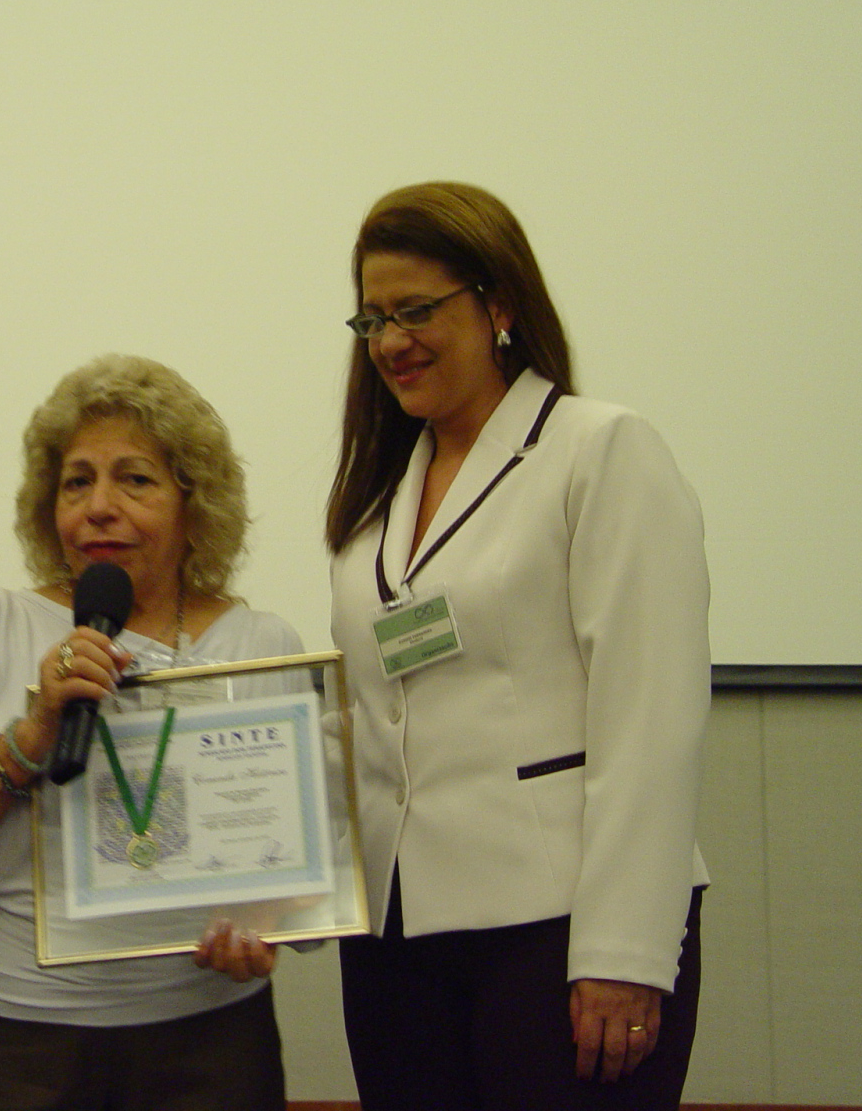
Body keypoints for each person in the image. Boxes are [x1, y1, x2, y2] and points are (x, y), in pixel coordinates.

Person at [327, 182, 709, 1109]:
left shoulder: (599, 449)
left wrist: (624, 952)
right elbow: (366, 723)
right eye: (373, 319)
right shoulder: (375, 503)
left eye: (416, 311)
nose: (390, 342)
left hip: (560, 933)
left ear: (498, 305)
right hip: (396, 943)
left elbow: (649, 718)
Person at [0, 354, 300, 1111]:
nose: (99, 507)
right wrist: (33, 735)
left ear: (193, 501)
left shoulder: (260, 643)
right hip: (16, 1042)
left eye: (134, 480)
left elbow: (305, 860)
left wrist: (270, 920)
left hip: (208, 1036)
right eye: (77, 483)